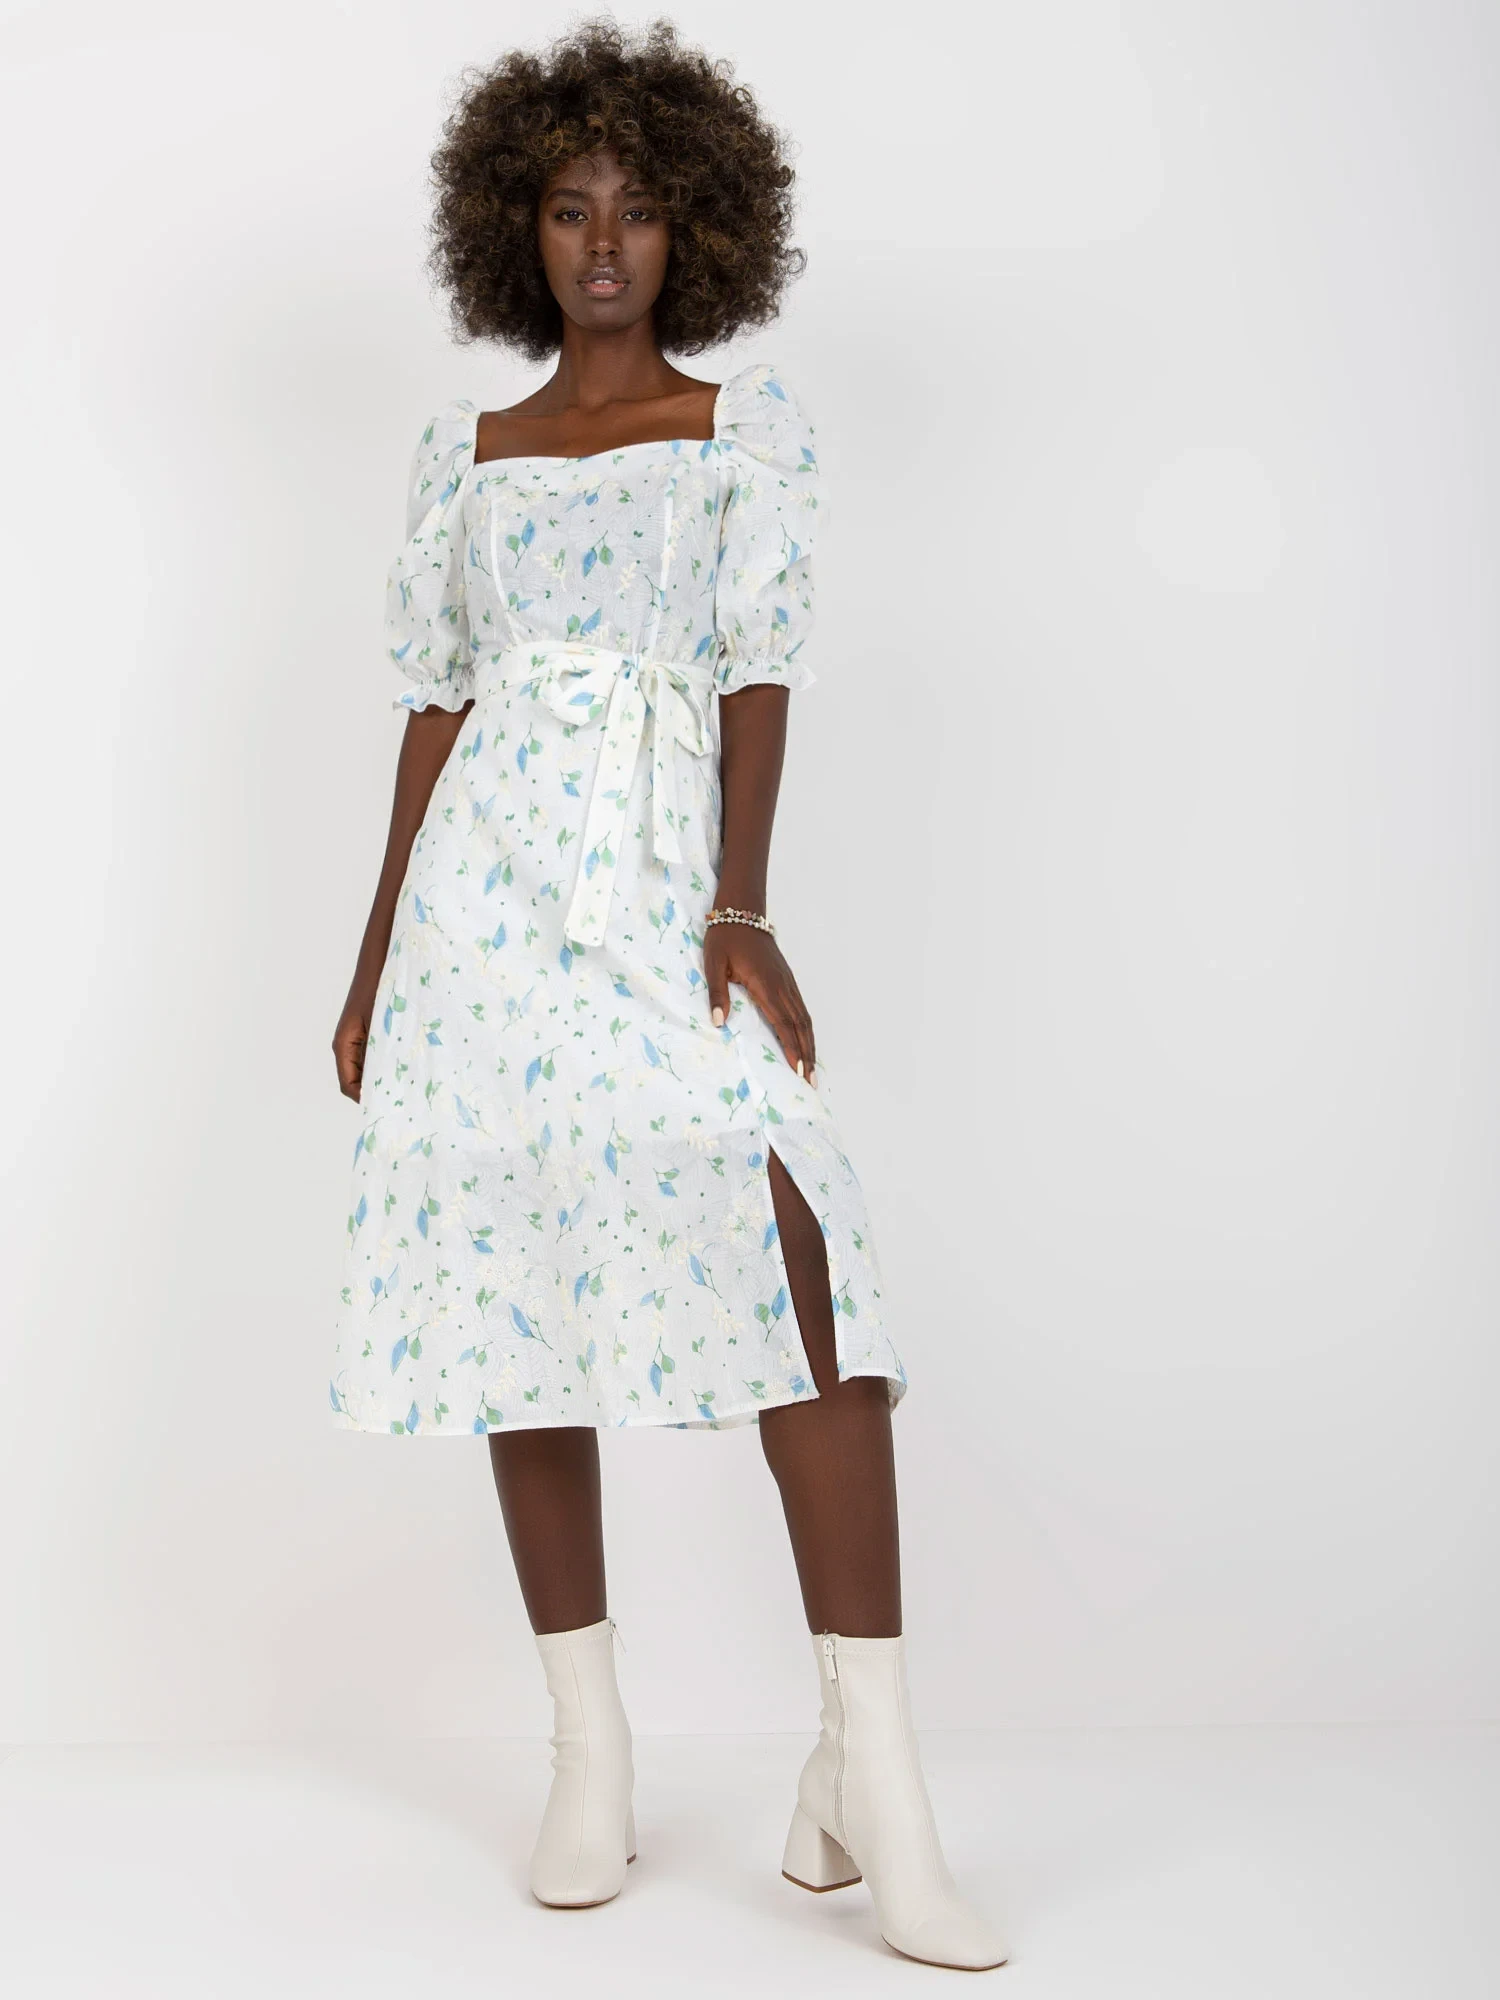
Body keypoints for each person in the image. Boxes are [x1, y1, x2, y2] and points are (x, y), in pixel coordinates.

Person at [328, 18, 1004, 1972]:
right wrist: (373, 954)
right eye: (569, 208)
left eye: (636, 208)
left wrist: (740, 902)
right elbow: (435, 708)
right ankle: (589, 1748)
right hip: (480, 911)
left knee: (802, 1235)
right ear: (517, 231)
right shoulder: (465, 459)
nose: (604, 242)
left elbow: (755, 668)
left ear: (695, 223)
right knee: (515, 1281)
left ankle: (872, 1769)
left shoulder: (740, 432)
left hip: (657, 894)